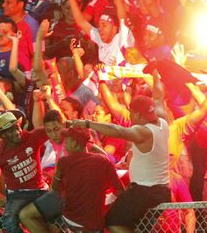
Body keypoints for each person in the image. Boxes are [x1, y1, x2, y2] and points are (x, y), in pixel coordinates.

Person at [70, 95, 170, 233]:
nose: (129, 116)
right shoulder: (163, 123)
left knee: (113, 222)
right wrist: (154, 73)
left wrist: (88, 124)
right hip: (160, 191)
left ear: (138, 114)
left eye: (130, 112)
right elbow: (159, 97)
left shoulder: (144, 132)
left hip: (145, 191)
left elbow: (118, 131)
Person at [23, 127, 124, 233]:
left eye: (67, 142)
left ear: (75, 144)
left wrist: (56, 174)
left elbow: (55, 189)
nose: (65, 146)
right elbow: (120, 190)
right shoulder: (103, 160)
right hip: (96, 224)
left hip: (71, 222)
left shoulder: (64, 162)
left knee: (44, 220)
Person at [0, 111, 49, 233]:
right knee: (9, 222)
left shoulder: (33, 136)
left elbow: (56, 126)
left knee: (56, 220)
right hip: (17, 195)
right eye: (10, 131)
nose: (16, 132)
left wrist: (83, 124)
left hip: (40, 190)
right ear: (3, 135)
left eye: (17, 128)